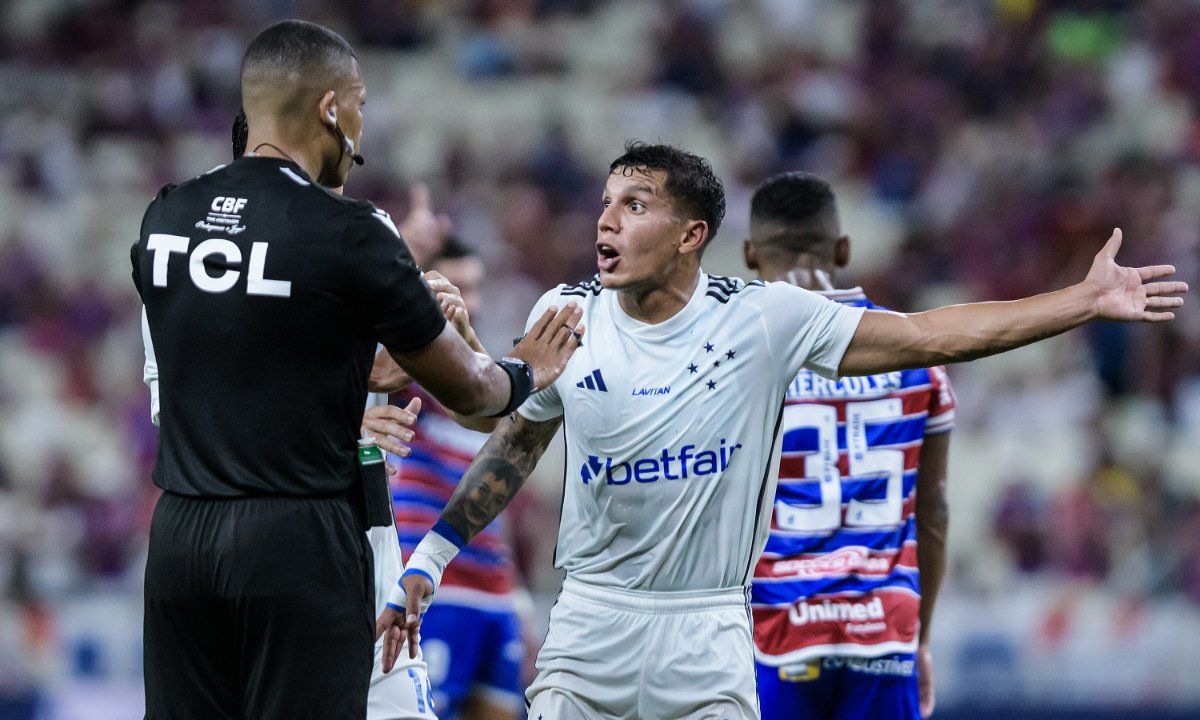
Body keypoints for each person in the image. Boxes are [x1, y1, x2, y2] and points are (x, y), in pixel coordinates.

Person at [380, 141, 1185, 720]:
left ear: (692, 234)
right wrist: (432, 556)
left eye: (635, 204)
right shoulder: (567, 313)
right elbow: (513, 439)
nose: (608, 221)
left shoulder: (762, 320)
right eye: (604, 203)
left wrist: (1078, 302)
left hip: (708, 636)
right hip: (589, 626)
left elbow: (932, 334)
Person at [132, 20, 582, 720]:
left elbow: (246, 343)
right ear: (330, 109)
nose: (363, 133)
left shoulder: (164, 217)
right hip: (296, 541)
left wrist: (348, 375)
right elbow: (472, 389)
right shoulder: (349, 230)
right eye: (362, 106)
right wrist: (527, 369)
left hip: (181, 542)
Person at [743, 172, 953, 720]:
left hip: (772, 631)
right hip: (884, 629)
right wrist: (920, 641)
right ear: (842, 249)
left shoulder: (731, 358)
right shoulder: (916, 358)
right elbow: (932, 511)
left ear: (748, 254)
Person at [389, 237, 527, 720]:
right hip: (432, 589)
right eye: (457, 287)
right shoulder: (402, 370)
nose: (471, 300)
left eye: (475, 286)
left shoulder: (486, 374)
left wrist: (517, 593)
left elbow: (497, 474)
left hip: (494, 589)